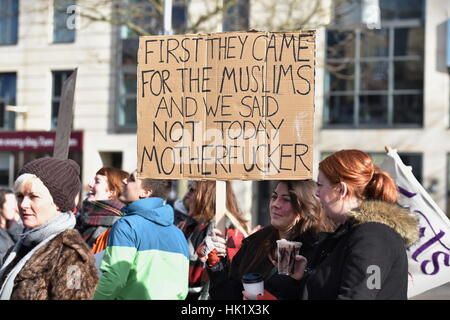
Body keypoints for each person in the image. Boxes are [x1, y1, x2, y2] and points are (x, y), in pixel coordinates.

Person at [294, 149, 420, 299]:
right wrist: (309, 272)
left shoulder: (374, 236)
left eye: (320, 185)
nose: (316, 193)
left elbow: (358, 294)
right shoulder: (352, 232)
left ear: (341, 190)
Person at [205, 180, 333, 300]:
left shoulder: (320, 249)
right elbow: (228, 295)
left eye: (286, 200)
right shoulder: (255, 243)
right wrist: (216, 265)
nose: (276, 204)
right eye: (274, 196)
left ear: (304, 208)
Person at [0, 157, 98, 300]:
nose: (23, 204)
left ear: (58, 203)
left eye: (34, 196)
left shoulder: (72, 256)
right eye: (20, 196)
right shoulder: (24, 243)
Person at [93, 170, 189, 300]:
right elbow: (181, 288)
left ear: (145, 192)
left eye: (132, 179)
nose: (124, 180)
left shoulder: (126, 225)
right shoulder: (178, 234)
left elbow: (114, 279)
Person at [174, 180, 250, 300]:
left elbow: (231, 280)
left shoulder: (229, 231)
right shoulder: (189, 225)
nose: (187, 194)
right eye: (189, 188)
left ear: (207, 195)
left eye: (193, 190)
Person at [76, 167, 129, 254]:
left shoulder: (117, 226)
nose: (90, 184)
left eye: (97, 181)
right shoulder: (81, 218)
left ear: (112, 191)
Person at [0, 189, 23, 263]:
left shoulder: (14, 226)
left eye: (14, 203)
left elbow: (24, 242)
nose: (14, 207)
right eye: (10, 203)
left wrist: (13, 225)